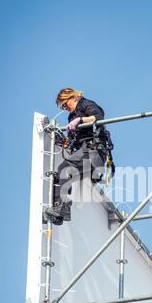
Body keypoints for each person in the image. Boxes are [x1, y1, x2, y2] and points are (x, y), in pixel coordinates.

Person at [43, 88, 109, 225]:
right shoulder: (71, 117)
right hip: (83, 152)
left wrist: (80, 119)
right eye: (63, 107)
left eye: (65, 104)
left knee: (64, 169)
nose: (65, 108)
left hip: (92, 151)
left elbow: (98, 117)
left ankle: (63, 209)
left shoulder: (86, 104)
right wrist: (62, 141)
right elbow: (71, 141)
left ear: (73, 97)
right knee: (60, 176)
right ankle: (58, 210)